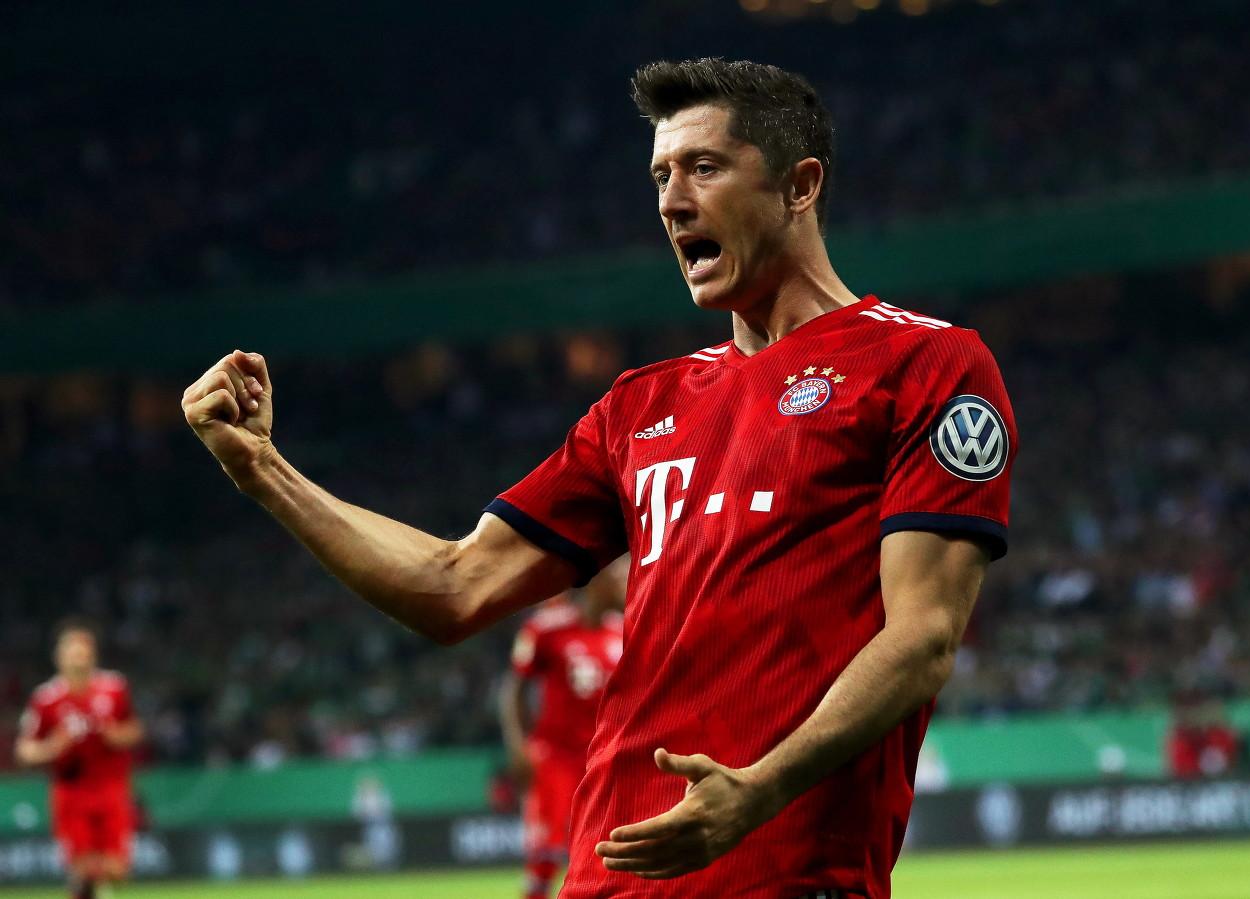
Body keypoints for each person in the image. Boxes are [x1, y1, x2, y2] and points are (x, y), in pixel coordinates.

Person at [181, 57, 1016, 898]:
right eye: (660, 176)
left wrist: (761, 789)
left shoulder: (924, 364)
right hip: (605, 876)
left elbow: (923, 637)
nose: (671, 201)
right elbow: (454, 584)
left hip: (785, 875)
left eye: (703, 168)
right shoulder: (638, 407)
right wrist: (262, 470)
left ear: (800, 186)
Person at [500, 563, 626, 899]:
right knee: (546, 851)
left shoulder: (624, 632)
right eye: (617, 576)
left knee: (602, 851)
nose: (624, 583)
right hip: (554, 756)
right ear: (597, 581)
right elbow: (513, 690)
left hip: (600, 760)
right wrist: (518, 745)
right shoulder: (547, 628)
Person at [14, 621, 145, 899]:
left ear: (93, 656)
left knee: (117, 870)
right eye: (72, 654)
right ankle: (85, 886)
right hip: (71, 791)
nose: (78, 660)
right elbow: (24, 750)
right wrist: (53, 747)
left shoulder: (114, 688)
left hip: (111, 787)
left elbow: (135, 730)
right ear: (59, 658)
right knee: (81, 868)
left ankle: (90, 887)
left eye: (83, 654)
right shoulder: (46, 699)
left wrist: (116, 735)